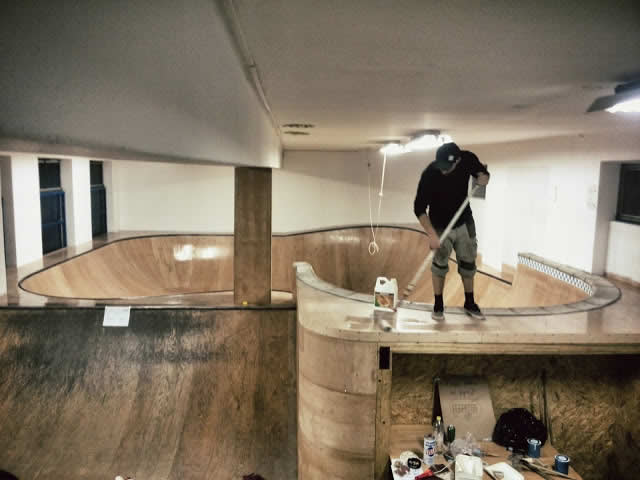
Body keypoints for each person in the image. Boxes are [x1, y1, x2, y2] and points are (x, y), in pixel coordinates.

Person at [413, 142, 490, 320]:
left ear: (457, 161)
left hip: (464, 220)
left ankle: (469, 302)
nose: (443, 170)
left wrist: (483, 177)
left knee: (468, 262)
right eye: (440, 166)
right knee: (440, 263)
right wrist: (431, 234)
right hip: (439, 225)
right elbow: (419, 208)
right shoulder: (430, 174)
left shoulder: (467, 159)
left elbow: (482, 174)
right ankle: (438, 305)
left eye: (447, 167)